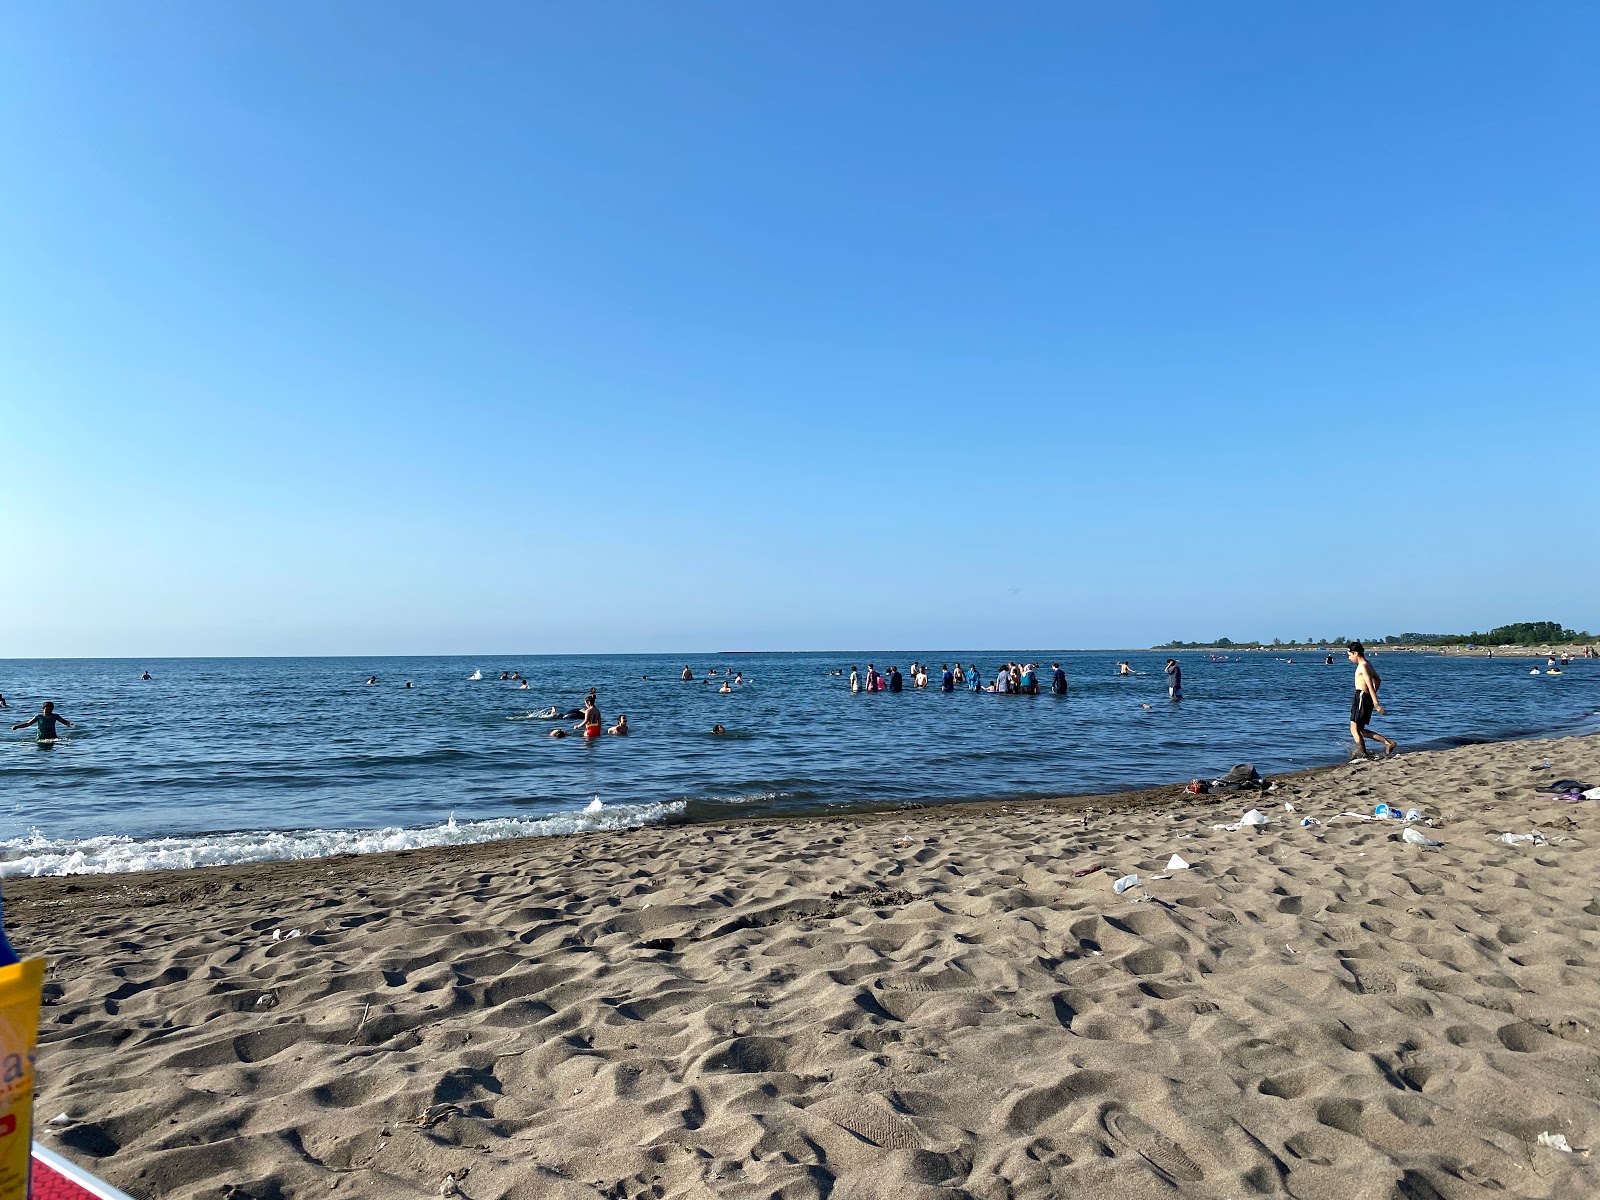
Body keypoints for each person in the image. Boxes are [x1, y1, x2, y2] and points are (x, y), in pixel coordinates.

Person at [1347, 642, 1396, 757]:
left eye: (1350, 655)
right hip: (1365, 697)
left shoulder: (1363, 666)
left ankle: (1364, 755)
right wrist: (1370, 696)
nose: (1349, 658)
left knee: (1354, 729)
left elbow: (1370, 684)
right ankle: (1388, 743)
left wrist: (1376, 703)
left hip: (1361, 697)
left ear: (1356, 653)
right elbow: (1378, 680)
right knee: (1361, 730)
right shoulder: (1368, 664)